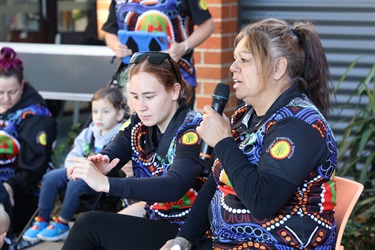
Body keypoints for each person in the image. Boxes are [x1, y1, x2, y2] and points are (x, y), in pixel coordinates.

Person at [161, 18, 338, 249]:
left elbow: (262, 201)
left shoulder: (300, 124)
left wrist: (223, 141)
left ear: (278, 68)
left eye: (244, 60)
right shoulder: (245, 116)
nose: (233, 68)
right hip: (229, 241)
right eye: (235, 59)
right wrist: (184, 239)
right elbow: (216, 182)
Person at [61, 51, 211, 249]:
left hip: (189, 233)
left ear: (175, 91)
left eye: (149, 97)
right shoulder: (138, 125)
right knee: (92, 228)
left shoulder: (194, 129)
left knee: (89, 225)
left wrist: (107, 183)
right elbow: (114, 151)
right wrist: (100, 162)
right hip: (156, 220)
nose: (141, 106)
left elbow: (174, 185)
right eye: (135, 97)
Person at [22, 87, 126, 243]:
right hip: (78, 169)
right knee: (51, 177)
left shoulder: (120, 134)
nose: (99, 117)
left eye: (105, 112)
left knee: (76, 183)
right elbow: (75, 152)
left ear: (119, 114)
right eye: (95, 111)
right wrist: (72, 167)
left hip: (100, 176)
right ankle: (42, 218)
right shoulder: (89, 132)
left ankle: (63, 222)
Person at [102, 0, 214, 108]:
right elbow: (110, 30)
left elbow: (207, 24)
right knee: (132, 124)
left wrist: (183, 47)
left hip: (174, 74)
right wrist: (116, 46)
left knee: (175, 125)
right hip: (131, 75)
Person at [0, 47, 57, 238]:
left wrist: (10, 187)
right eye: (0, 92)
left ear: (22, 85)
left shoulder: (36, 115)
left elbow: (33, 170)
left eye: (12, 92)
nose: (6, 99)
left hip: (22, 195)